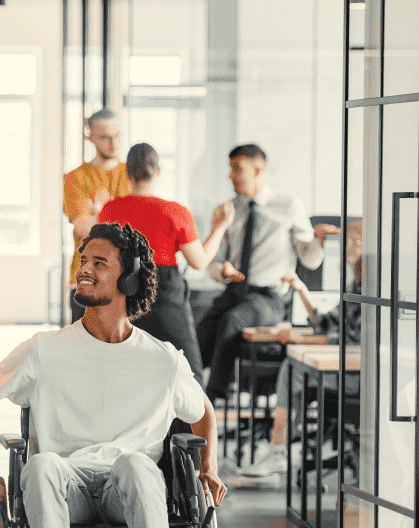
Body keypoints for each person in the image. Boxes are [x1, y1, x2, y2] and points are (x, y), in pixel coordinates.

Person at [0, 222, 227, 528]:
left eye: (98, 264)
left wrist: (208, 467)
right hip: (66, 489)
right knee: (42, 463)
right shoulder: (45, 350)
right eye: (83, 261)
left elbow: (203, 414)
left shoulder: (161, 360)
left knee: (136, 463)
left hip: (130, 491)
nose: (83, 270)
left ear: (128, 279)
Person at [197, 144, 336, 403]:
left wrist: (318, 239)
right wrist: (223, 271)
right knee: (197, 339)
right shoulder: (229, 210)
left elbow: (310, 259)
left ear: (258, 169)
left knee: (231, 322)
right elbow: (214, 263)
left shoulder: (288, 206)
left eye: (237, 169)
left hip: (268, 298)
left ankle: (214, 399)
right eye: (230, 169)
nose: (231, 176)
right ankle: (186, 400)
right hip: (234, 292)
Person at [98, 143, 235, 379]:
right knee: (188, 375)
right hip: (164, 297)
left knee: (126, 375)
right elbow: (199, 261)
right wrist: (220, 227)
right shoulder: (174, 212)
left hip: (122, 299)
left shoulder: (109, 210)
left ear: (127, 173)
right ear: (158, 172)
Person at [251, 220, 363, 476]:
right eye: (346, 241)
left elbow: (352, 341)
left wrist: (303, 340)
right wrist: (301, 289)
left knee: (293, 370)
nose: (347, 247)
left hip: (362, 378)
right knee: (294, 369)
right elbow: (328, 324)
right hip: (350, 371)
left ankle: (279, 450)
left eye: (355, 241)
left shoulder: (371, 287)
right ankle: (280, 447)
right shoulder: (355, 284)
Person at [63, 109, 131, 322]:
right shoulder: (75, 178)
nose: (114, 143)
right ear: (89, 136)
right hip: (85, 279)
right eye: (105, 137)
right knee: (81, 352)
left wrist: (99, 212)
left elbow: (139, 226)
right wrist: (120, 218)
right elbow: (83, 228)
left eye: (118, 135)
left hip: (125, 279)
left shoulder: (131, 173)